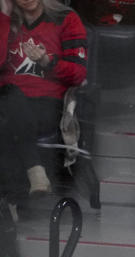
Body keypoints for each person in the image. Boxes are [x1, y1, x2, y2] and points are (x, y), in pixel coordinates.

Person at [0, 0, 86, 200]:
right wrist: (4, 15)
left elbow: (78, 74)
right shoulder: (5, 20)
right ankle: (33, 171)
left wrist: (47, 62)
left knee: (6, 117)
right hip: (7, 101)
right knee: (10, 95)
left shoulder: (66, 19)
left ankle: (11, 202)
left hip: (46, 102)